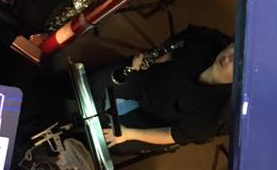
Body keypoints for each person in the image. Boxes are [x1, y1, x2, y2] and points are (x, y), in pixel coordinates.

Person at [94, 25, 234, 152]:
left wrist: (128, 134)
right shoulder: (207, 43)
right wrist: (151, 60)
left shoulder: (215, 115)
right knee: (96, 83)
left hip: (156, 121)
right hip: (152, 80)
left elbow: (172, 135)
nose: (228, 58)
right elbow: (174, 52)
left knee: (101, 139)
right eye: (234, 47)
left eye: (237, 62)